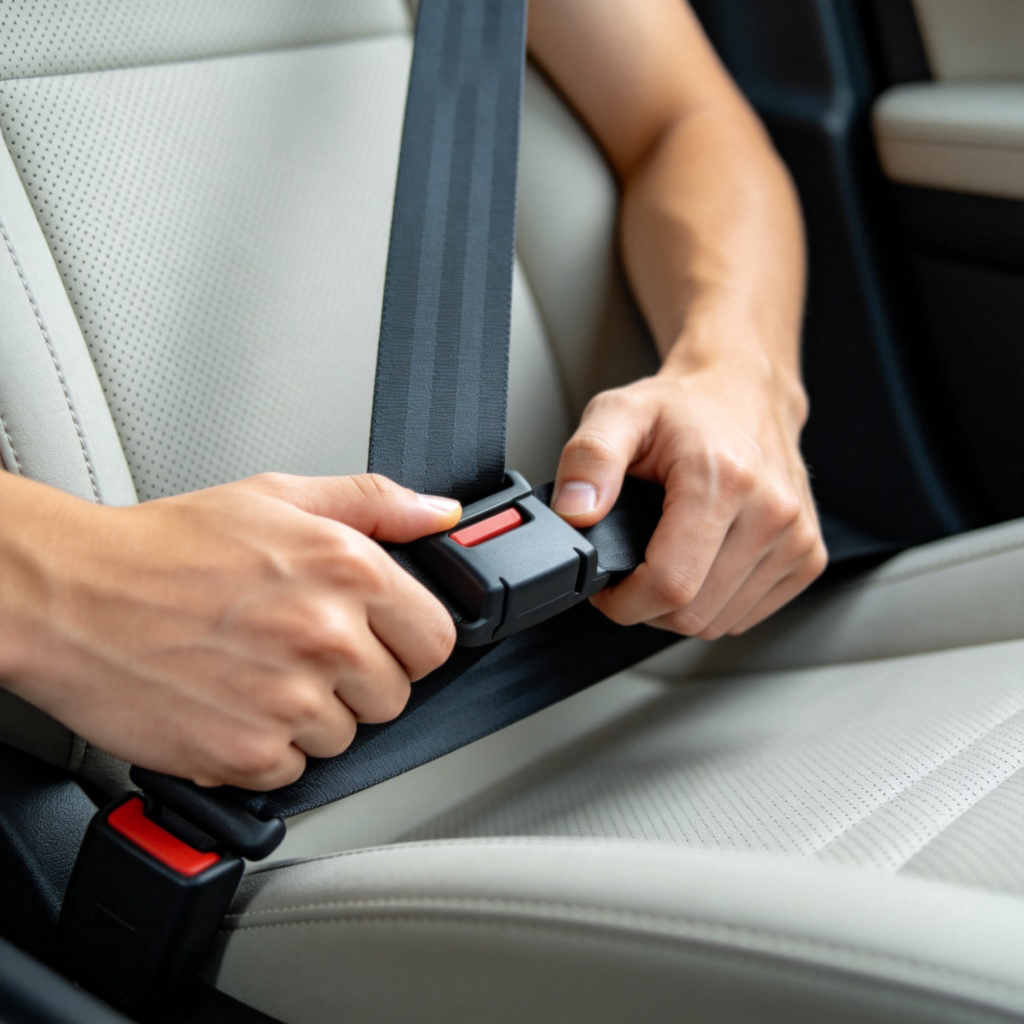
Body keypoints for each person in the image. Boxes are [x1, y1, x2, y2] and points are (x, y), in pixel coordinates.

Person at [0, 0, 825, 793]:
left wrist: (740, 375)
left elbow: (684, 116)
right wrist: (65, 588)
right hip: (216, 789)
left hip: (609, 636)